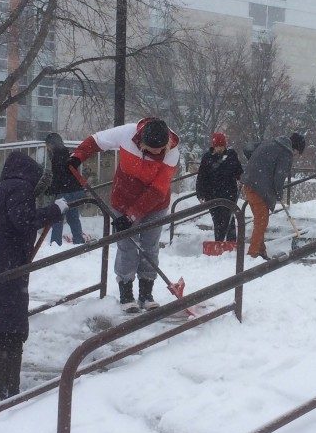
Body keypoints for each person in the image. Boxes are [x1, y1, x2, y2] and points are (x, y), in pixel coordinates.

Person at [0, 150, 68, 402]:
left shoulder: (1, 189)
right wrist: (54, 210)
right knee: (10, 332)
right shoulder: (20, 188)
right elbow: (24, 221)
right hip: (6, 269)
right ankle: (8, 393)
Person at [70, 117, 180, 312]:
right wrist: (77, 156)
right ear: (142, 142)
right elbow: (97, 140)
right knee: (127, 247)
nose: (158, 153)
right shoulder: (128, 133)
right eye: (153, 150)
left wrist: (132, 216)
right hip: (123, 200)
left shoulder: (172, 152)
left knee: (150, 247)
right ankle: (126, 293)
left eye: (161, 150)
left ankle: (146, 293)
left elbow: (157, 191)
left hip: (155, 204)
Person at [240, 132, 306, 260]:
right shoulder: (286, 152)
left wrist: (257, 166)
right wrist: (279, 194)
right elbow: (279, 177)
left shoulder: (271, 142)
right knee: (261, 222)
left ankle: (261, 251)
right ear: (295, 148)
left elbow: (248, 149)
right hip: (258, 188)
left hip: (249, 184)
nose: (296, 155)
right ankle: (253, 254)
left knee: (260, 220)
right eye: (297, 153)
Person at [195, 131, 243, 242]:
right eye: (217, 146)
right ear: (214, 146)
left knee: (229, 219)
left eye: (222, 146)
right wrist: (200, 194)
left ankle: (231, 243)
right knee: (217, 220)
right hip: (212, 194)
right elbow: (201, 177)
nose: (220, 149)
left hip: (229, 193)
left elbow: (238, 171)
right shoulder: (207, 158)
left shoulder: (231, 156)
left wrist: (241, 178)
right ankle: (219, 242)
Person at [44, 132, 88, 245]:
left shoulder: (56, 156)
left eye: (47, 145)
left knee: (57, 217)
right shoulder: (67, 153)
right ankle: (78, 241)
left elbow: (58, 176)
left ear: (51, 144)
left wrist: (50, 189)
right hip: (75, 189)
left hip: (65, 191)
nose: (47, 148)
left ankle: (55, 243)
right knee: (73, 217)